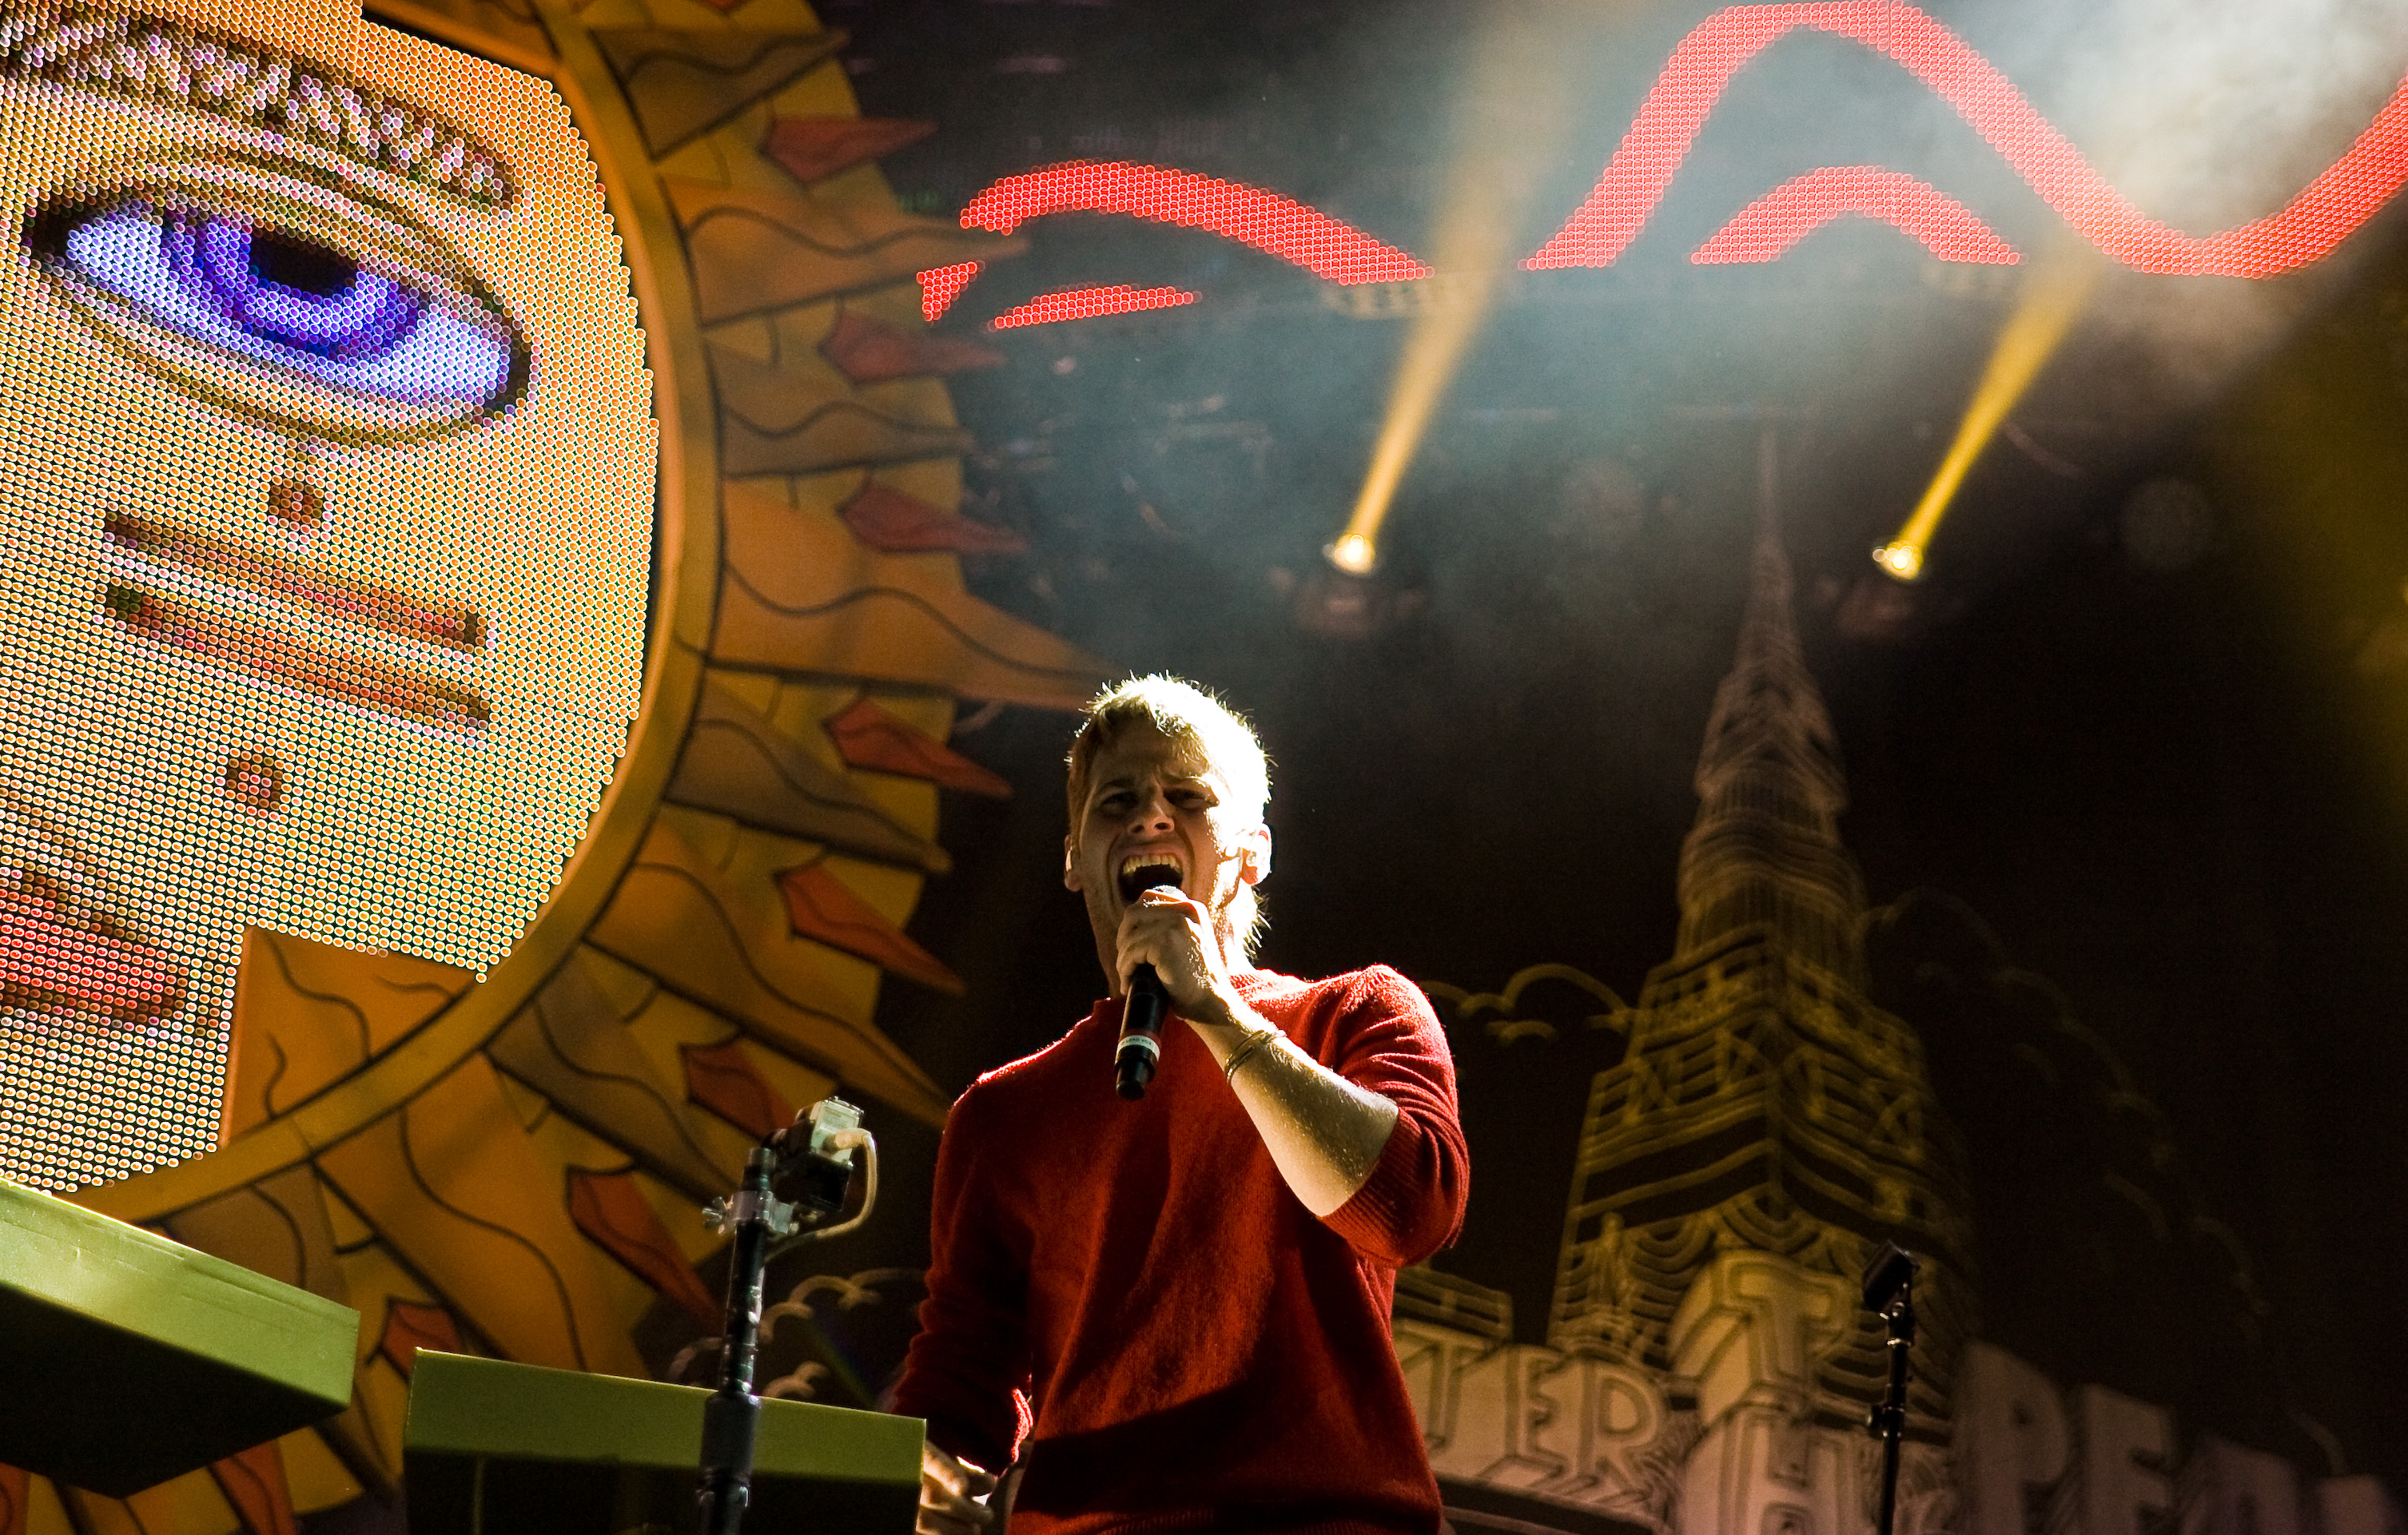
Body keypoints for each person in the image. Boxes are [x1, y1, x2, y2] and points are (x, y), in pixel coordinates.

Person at [893, 675, 1469, 1535]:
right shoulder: (1003, 1116)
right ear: (1072, 856)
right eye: (1116, 799)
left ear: (1253, 850)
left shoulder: (1357, 1012)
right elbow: (960, 1387)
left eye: (1188, 798)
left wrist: (1217, 1010)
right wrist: (929, 1475)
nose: (1150, 817)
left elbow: (1409, 1209)